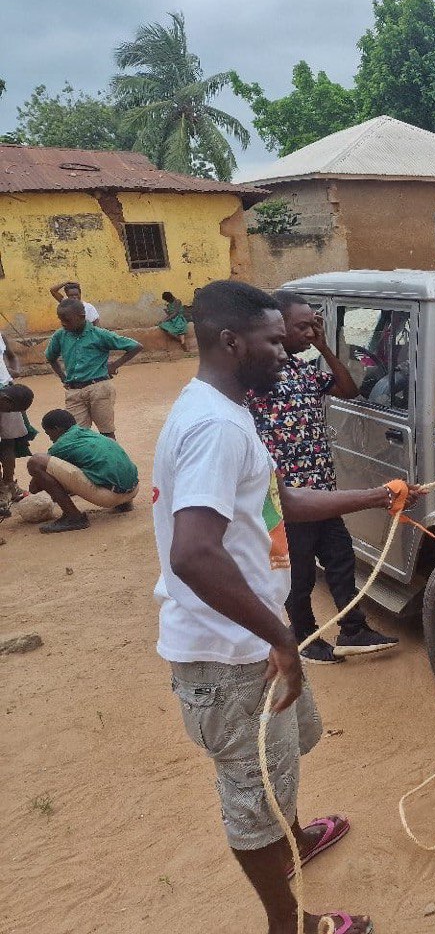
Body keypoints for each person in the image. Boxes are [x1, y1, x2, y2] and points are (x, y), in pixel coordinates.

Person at [154, 279, 402, 934]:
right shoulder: (215, 427)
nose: (286, 352)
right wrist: (282, 637)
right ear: (231, 342)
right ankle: (289, 925)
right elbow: (193, 553)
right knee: (252, 799)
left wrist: (376, 496)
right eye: (272, 341)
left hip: (251, 641)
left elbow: (279, 502)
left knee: (284, 760)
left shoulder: (228, 410)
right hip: (232, 654)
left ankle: (293, 839)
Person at [247, 292, 399, 665]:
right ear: (278, 327)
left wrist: (325, 348)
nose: (310, 332)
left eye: (314, 325)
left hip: (322, 493)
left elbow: (349, 389)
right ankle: (304, 637)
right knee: (296, 575)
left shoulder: (305, 370)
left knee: (341, 559)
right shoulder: (256, 377)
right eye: (303, 326)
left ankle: (353, 631)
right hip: (284, 498)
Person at [26, 408, 139, 534]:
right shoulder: (88, 433)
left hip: (110, 497)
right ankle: (125, 504)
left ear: (57, 429)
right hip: (133, 489)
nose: (51, 439)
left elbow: (34, 488)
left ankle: (73, 517)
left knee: (36, 462)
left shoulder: (61, 445)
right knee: (100, 458)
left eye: (49, 434)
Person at [45, 299, 141, 439]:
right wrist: (63, 377)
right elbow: (50, 357)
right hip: (74, 392)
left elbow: (135, 346)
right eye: (61, 320)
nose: (63, 323)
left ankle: (110, 453)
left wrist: (114, 365)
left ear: (82, 317)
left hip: (99, 389)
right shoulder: (60, 335)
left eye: (67, 320)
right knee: (75, 434)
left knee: (106, 432)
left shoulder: (100, 334)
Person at [0, 381, 35, 516]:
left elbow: (8, 443)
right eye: (10, 410)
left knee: (8, 442)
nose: (10, 413)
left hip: (5, 387)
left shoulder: (7, 403)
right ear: (5, 400)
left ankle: (9, 486)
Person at [0, 333, 26, 506]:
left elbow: (11, 355)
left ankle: (9, 483)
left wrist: (14, 371)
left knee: (9, 442)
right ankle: (1, 490)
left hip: (6, 393)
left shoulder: (0, 335)